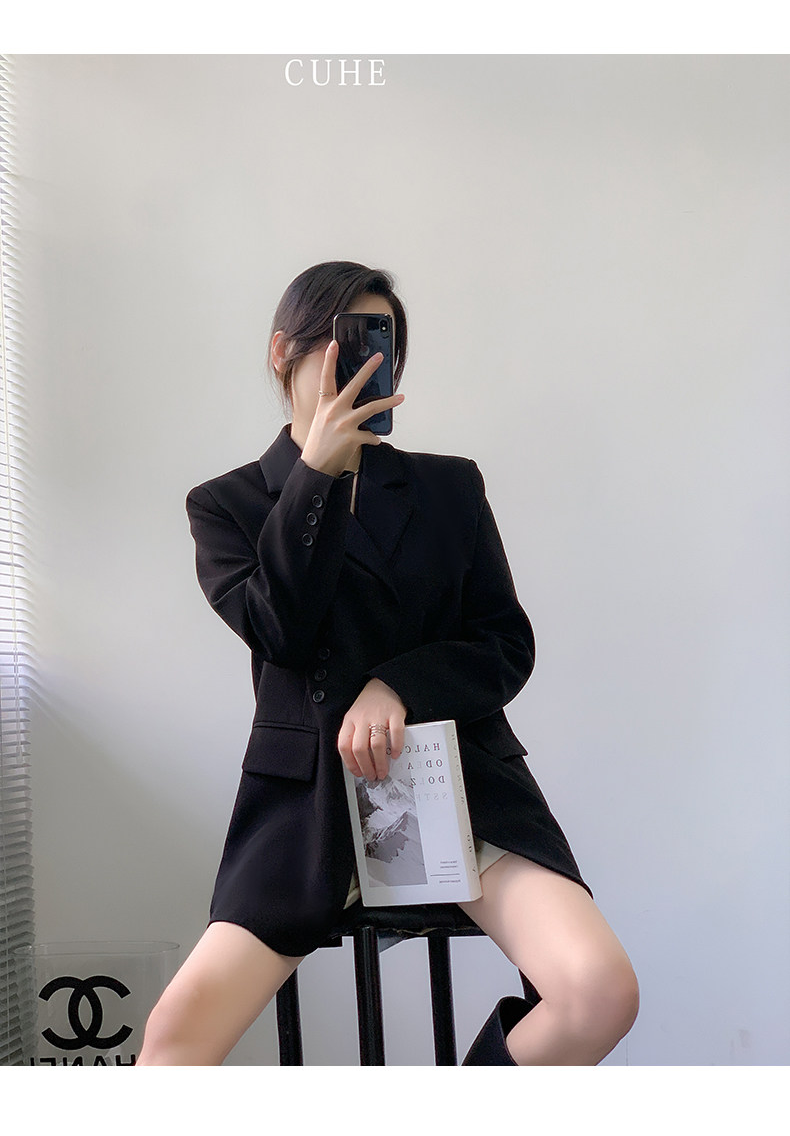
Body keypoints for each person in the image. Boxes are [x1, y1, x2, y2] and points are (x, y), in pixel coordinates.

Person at [137, 261, 639, 1066]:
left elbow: (505, 643)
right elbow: (280, 631)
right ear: (282, 352)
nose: (368, 363)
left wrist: (397, 685)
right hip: (308, 808)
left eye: (384, 346)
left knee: (600, 993)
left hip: (459, 787)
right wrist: (316, 476)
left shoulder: (449, 488)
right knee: (172, 1046)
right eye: (345, 342)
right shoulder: (227, 505)